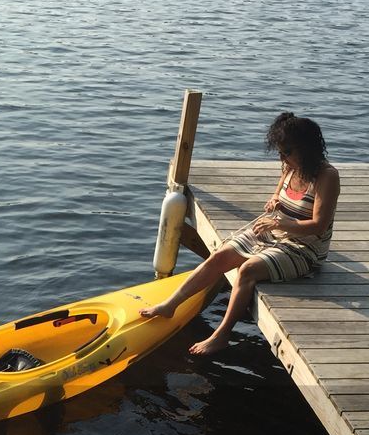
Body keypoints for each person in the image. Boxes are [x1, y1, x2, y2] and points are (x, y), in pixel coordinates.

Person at [141, 112, 340, 354]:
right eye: (280, 152)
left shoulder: (327, 176)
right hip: (277, 231)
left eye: (287, 152)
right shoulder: (289, 168)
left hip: (305, 248)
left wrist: (280, 224)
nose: (282, 158)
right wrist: (274, 202)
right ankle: (169, 305)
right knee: (219, 257)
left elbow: (319, 225)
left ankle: (221, 334)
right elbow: (278, 193)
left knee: (247, 271)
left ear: (305, 148)